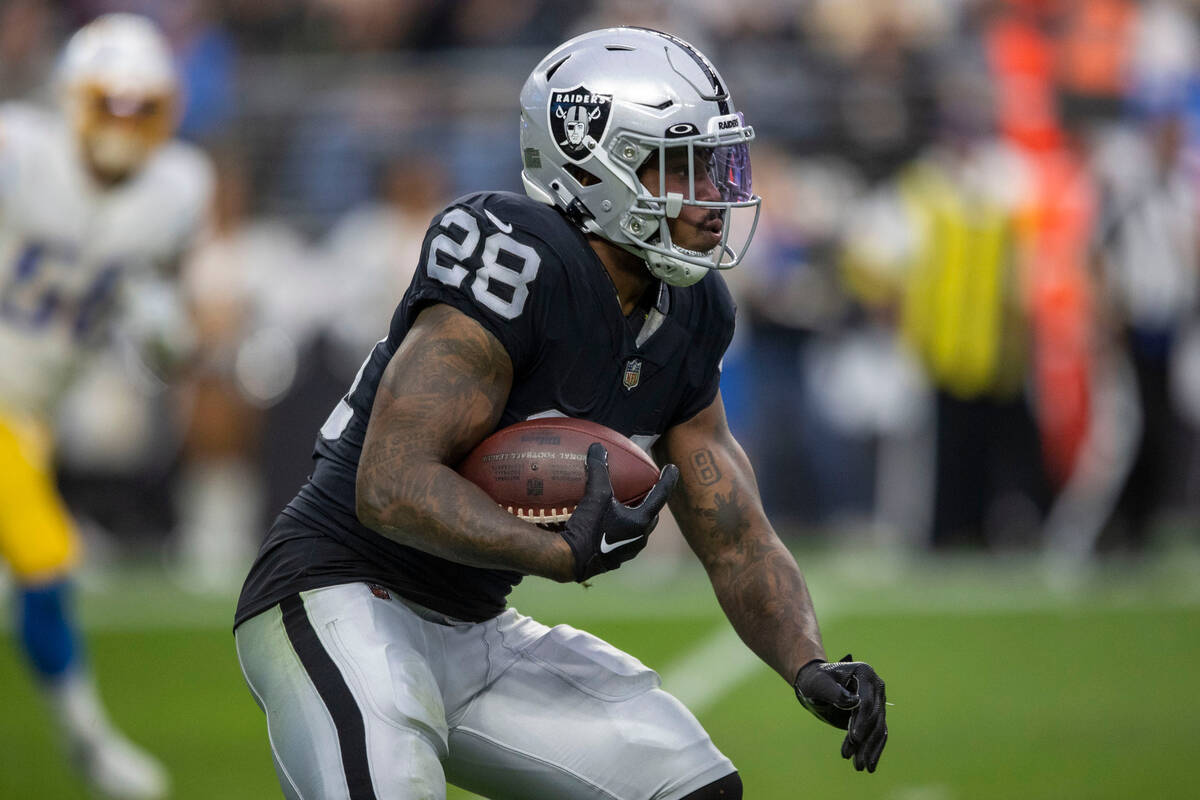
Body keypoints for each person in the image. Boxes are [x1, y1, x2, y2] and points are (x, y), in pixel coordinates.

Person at [234, 27, 887, 800]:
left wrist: (806, 661)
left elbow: (736, 534)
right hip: (338, 590)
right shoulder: (511, 257)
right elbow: (389, 484)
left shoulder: (692, 310)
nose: (713, 196)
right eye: (683, 166)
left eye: (716, 165)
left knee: (692, 787)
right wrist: (556, 554)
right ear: (592, 162)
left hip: (474, 624)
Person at [0, 13, 213, 799]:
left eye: (140, 108)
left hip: (31, 414)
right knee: (47, 558)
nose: (124, 126)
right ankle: (89, 743)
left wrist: (160, 325)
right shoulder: (19, 152)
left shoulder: (179, 189)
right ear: (70, 97)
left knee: (45, 564)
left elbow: (162, 330)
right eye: (109, 104)